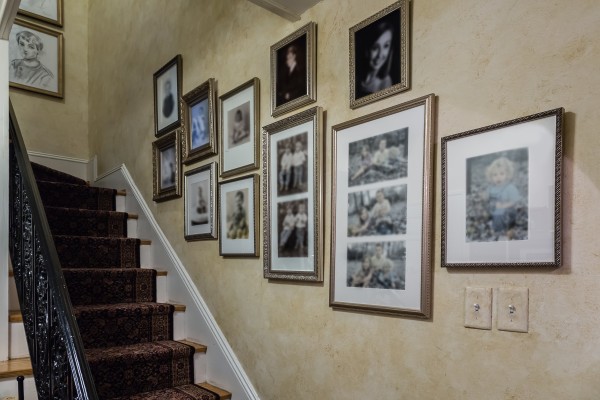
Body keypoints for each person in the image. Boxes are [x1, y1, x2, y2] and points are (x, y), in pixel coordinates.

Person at [483, 157, 521, 240]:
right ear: (491, 176)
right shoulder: (492, 188)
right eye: (495, 175)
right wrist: (485, 196)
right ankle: (495, 229)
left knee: (502, 215)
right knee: (489, 214)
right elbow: (488, 198)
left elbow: (514, 201)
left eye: (501, 174)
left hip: (507, 212)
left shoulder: (509, 187)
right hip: (494, 211)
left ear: (507, 174)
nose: (498, 177)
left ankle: (506, 231)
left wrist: (504, 205)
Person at [357, 20, 394, 98]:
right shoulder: (356, 78)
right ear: (366, 49)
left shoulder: (385, 83)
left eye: (386, 46)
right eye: (375, 48)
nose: (380, 55)